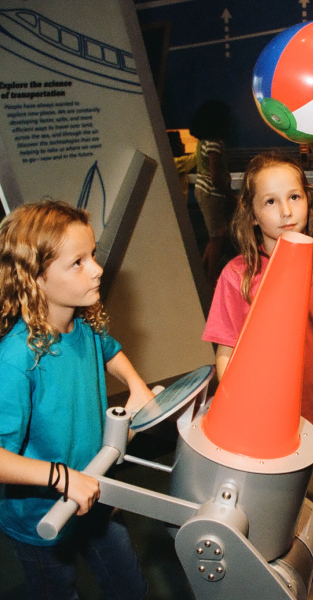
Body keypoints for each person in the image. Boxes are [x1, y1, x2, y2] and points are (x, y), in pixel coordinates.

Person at [202, 152, 313, 527]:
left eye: (294, 197)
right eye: (270, 201)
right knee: (279, 517)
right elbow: (226, 352)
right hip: (267, 426)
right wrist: (238, 412)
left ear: (308, 200)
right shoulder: (237, 276)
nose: (286, 211)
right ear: (251, 213)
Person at [0, 200, 155, 600]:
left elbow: (110, 350)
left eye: (93, 255)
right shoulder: (16, 360)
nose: (97, 269)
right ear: (35, 278)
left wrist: (136, 385)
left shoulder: (83, 324)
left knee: (130, 588)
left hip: (97, 490)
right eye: (78, 263)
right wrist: (61, 477)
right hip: (41, 514)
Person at [190, 100, 237, 288]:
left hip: (203, 191)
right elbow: (215, 176)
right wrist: (231, 196)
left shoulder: (203, 141)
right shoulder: (214, 143)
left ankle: (202, 272)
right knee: (217, 237)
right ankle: (210, 279)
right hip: (212, 194)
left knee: (215, 235)